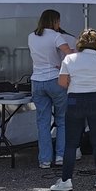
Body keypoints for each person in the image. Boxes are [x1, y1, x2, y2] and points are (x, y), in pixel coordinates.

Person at [50, 30, 96, 191]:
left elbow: (62, 82)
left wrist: (75, 85)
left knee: (71, 143)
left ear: (80, 44)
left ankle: (66, 180)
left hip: (75, 100)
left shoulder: (69, 59)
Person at [28, 9, 73, 169]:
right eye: (58, 21)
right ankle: (60, 156)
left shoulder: (31, 36)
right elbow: (70, 55)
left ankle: (45, 159)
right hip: (55, 79)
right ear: (54, 21)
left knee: (43, 122)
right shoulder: (56, 36)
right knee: (62, 119)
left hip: (37, 81)